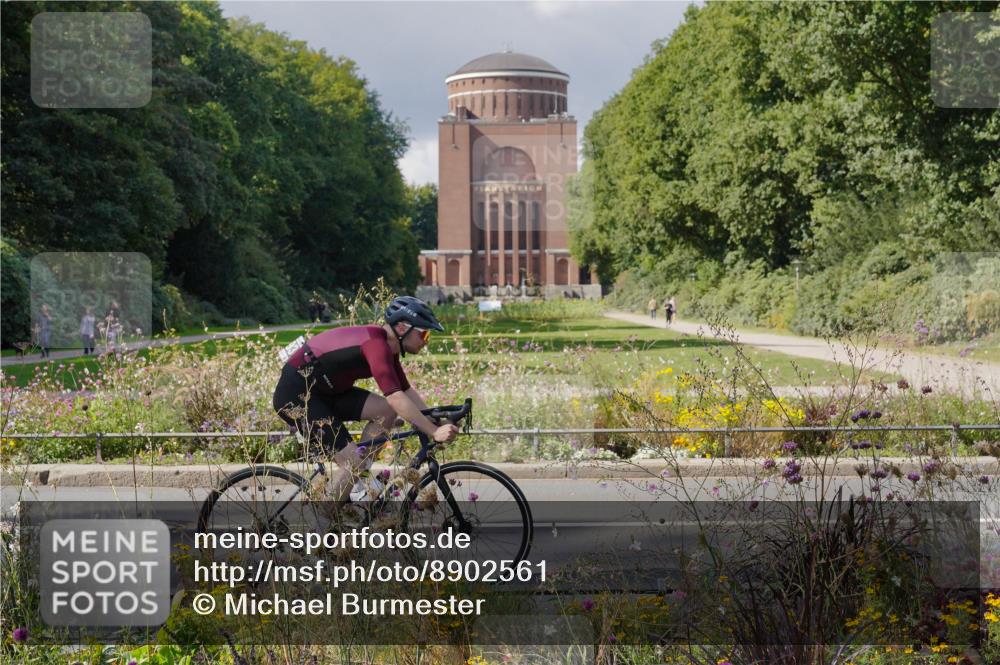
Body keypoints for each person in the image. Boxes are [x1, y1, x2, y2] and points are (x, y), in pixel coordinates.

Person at [272, 295, 458, 502]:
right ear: (402, 328)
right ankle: (328, 511)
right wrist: (433, 431)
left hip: (326, 391)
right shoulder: (376, 344)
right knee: (354, 461)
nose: (426, 341)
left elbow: (405, 390)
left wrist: (435, 419)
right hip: (297, 395)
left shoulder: (389, 348)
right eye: (424, 334)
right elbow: (395, 397)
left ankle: (358, 485)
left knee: (385, 412)